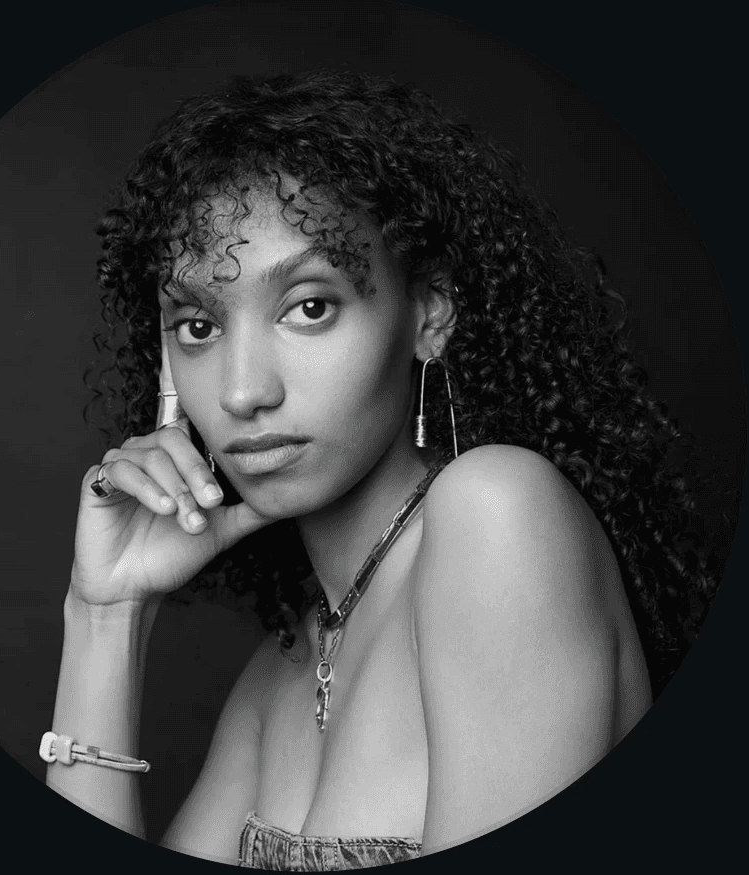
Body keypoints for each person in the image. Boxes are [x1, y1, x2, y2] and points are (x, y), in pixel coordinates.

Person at [45, 70, 717, 868]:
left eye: (309, 306)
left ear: (429, 313)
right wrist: (104, 614)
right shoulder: (289, 666)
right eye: (197, 324)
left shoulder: (498, 513)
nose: (242, 390)